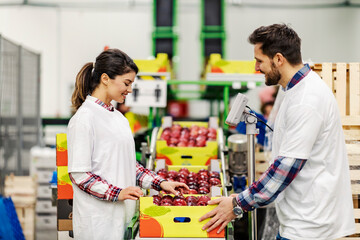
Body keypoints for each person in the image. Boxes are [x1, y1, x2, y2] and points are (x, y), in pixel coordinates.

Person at [199, 24, 355, 240]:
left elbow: (285, 167)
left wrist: (238, 204)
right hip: (302, 218)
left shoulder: (306, 100)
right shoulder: (294, 91)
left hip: (310, 226)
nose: (256, 68)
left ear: (279, 59)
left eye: (260, 61)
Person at [67, 48, 188, 240]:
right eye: (127, 83)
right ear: (105, 79)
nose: (130, 90)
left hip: (125, 217)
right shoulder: (84, 118)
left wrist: (161, 183)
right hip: (98, 222)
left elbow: (129, 165)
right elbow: (79, 174)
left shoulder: (118, 118)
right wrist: (117, 193)